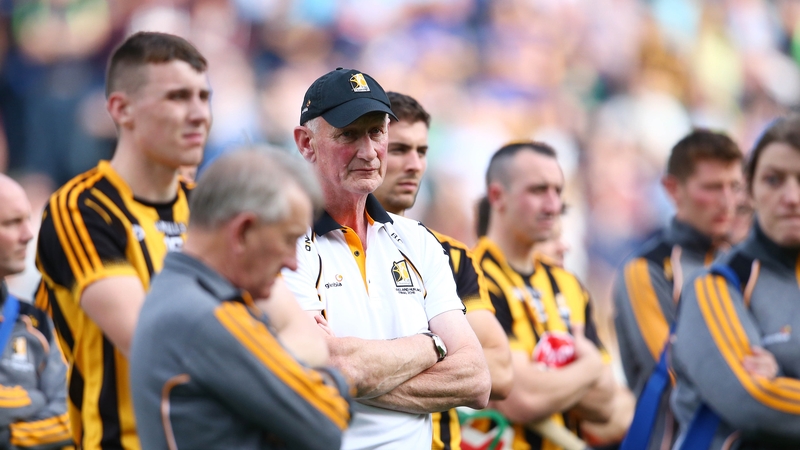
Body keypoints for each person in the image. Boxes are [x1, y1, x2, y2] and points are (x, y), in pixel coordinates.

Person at [283, 67, 491, 450]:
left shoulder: (418, 240)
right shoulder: (282, 240)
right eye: (348, 134)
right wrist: (434, 345)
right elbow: (319, 368)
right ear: (306, 143)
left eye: (377, 132)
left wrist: (355, 372)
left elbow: (477, 380)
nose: (368, 151)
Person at [33, 32, 211, 449]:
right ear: (121, 109)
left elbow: (299, 336)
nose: (200, 113)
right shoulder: (81, 207)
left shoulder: (208, 209)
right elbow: (155, 348)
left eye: (205, 96)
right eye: (178, 97)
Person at [130, 150, 352, 450]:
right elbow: (328, 421)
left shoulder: (176, 292)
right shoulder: (209, 317)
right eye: (288, 240)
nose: (293, 263)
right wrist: (331, 381)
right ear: (243, 232)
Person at [372, 91, 513, 450]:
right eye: (400, 149)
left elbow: (496, 370)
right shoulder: (320, 247)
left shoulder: (450, 254)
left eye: (422, 151)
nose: (414, 164)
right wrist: (445, 357)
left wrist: (364, 378)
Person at [473, 141, 616, 448]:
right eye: (538, 191)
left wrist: (544, 382)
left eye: (557, 191)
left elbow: (606, 403)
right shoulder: (471, 277)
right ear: (498, 196)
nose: (552, 205)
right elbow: (520, 397)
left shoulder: (568, 285)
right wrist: (588, 367)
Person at [671, 114, 800, 448]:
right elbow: (754, 400)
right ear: (751, 191)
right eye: (774, 180)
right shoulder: (717, 285)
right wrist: (770, 388)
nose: (791, 197)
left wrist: (784, 379)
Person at [613, 130, 743, 450]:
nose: (727, 201)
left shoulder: (744, 261)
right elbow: (674, 373)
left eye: (734, 187)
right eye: (712, 188)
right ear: (673, 189)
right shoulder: (647, 269)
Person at [0, 174, 71, 449]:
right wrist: (33, 399)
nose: (28, 235)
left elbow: (69, 415)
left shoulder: (35, 320)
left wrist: (10, 437)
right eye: (11, 223)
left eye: (27, 220)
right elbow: (49, 405)